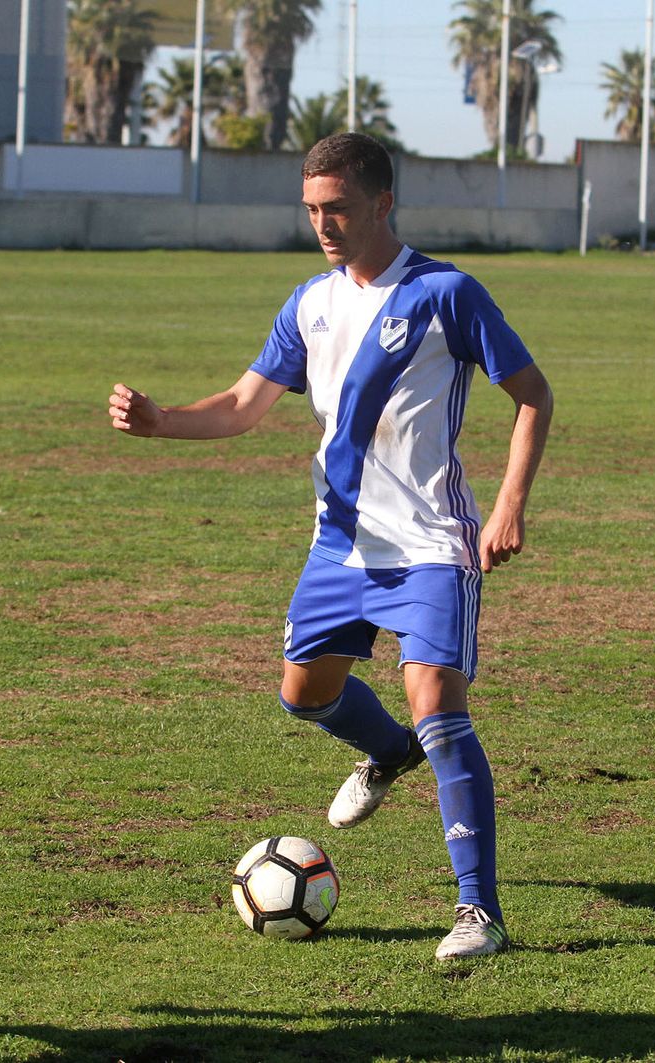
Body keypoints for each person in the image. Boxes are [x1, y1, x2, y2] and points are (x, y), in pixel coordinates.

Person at [109, 132, 553, 961]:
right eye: (312, 209)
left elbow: (533, 394)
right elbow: (244, 404)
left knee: (439, 707)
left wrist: (507, 506)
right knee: (304, 695)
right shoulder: (308, 304)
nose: (323, 223)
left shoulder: (445, 293)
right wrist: (162, 419)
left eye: (338, 207)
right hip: (339, 547)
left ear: (383, 203)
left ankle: (477, 911)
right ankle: (387, 752)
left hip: (431, 544)